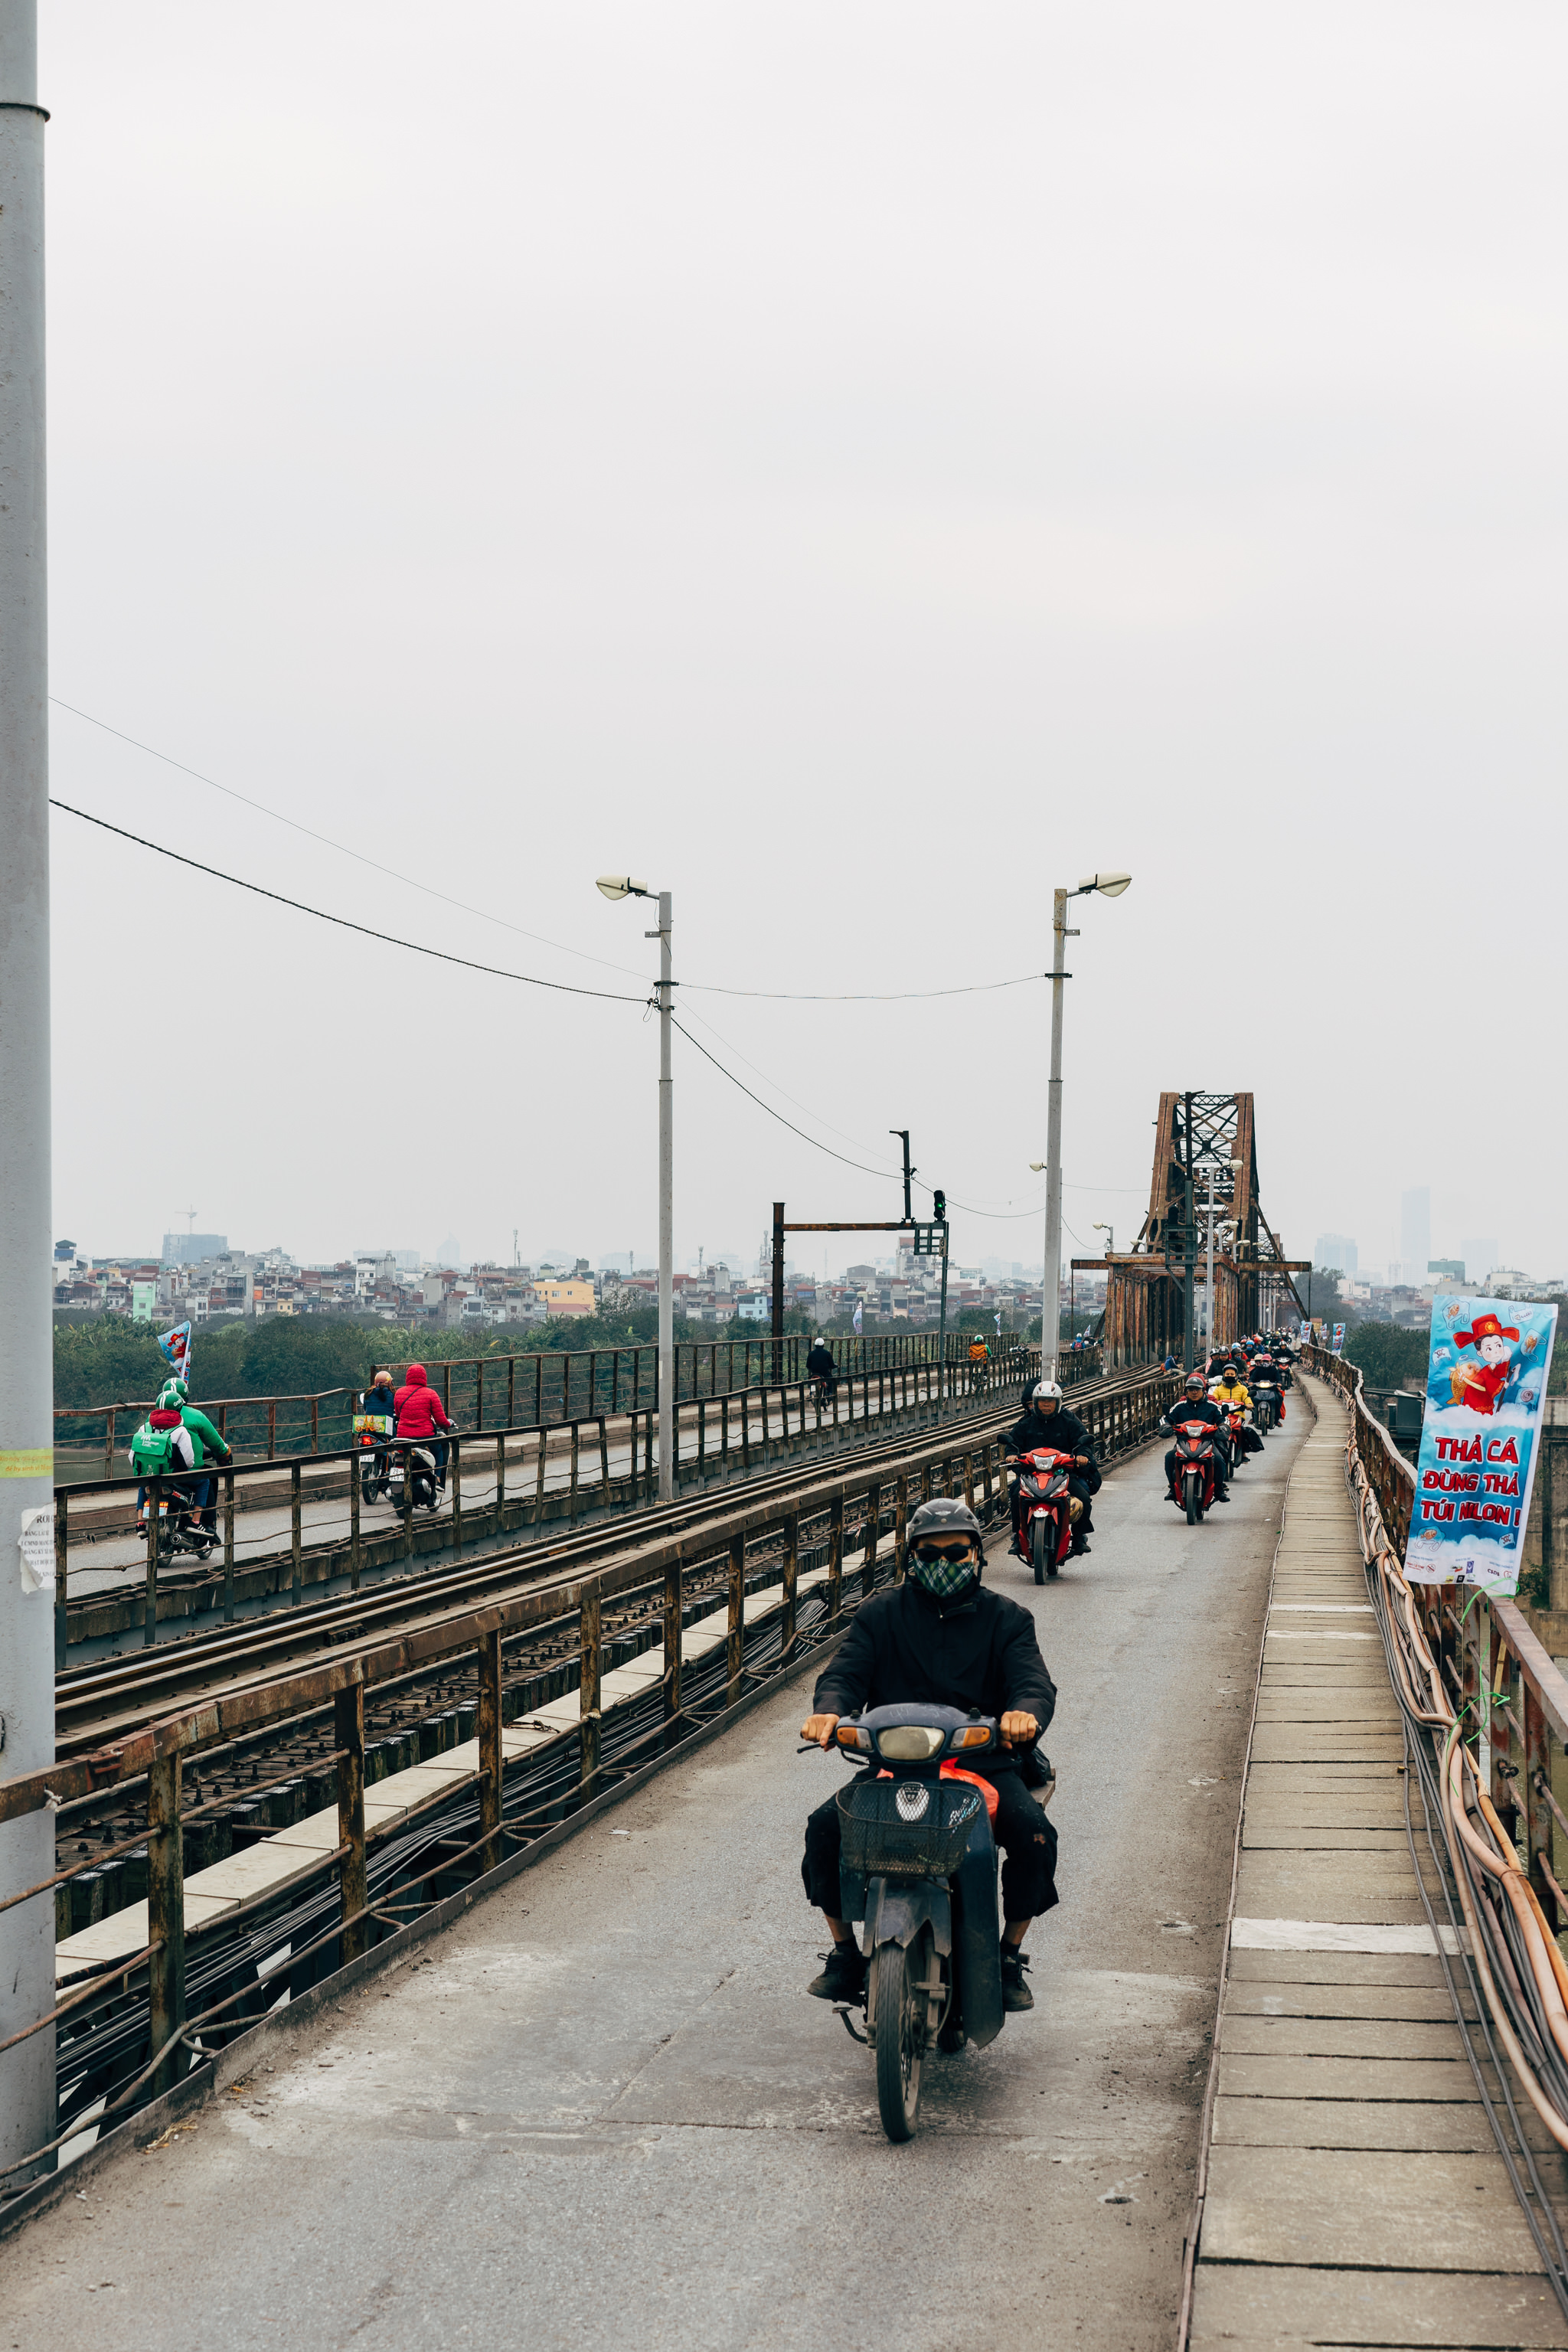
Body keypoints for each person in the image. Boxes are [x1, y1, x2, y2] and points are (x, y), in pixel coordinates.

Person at [799, 1497, 1058, 2014]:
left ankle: (1008, 1954)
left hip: (978, 1763)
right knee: (824, 1829)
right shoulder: (881, 1614)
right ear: (911, 1556)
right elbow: (845, 1674)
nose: (944, 1563)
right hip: (896, 1763)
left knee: (1034, 1834)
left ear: (977, 1555)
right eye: (930, 1552)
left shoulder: (1008, 1619)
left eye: (957, 1551)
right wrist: (830, 1712)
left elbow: (1033, 1682)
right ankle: (844, 1951)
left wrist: (1023, 1715)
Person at [1005, 1380, 1099, 1557]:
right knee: (1016, 1495)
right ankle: (1018, 1537)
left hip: (1062, 1474)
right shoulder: (1026, 1422)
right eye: (1042, 1401)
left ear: (1058, 1403)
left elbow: (1083, 1440)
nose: (1046, 1405)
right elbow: (1013, 1443)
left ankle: (1079, 1536)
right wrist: (1011, 1454)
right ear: (1035, 1403)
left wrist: (1083, 1456)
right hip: (1032, 1474)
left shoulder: (1069, 1420)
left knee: (1084, 1498)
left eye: (1050, 1402)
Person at [155, 1376, 233, 1534]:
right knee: (207, 1478)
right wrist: (225, 1455)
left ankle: (142, 1521)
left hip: (158, 1470)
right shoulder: (195, 1416)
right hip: (185, 1472)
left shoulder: (152, 1419)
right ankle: (205, 1523)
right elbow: (217, 1445)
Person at [1161, 1372, 1229, 1502]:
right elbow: (1167, 1418)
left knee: (1219, 1460)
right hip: (1184, 1442)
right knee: (1170, 1457)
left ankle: (1219, 1490)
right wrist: (1165, 1427)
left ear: (1203, 1391)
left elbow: (1224, 1419)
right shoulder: (1179, 1407)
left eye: (1197, 1389)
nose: (1194, 1392)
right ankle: (1172, 1489)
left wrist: (1224, 1428)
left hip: (1207, 1442)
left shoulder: (1212, 1407)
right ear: (1186, 1392)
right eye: (1191, 1390)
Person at [394, 1361, 454, 1482]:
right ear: (424, 1377)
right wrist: (449, 1423)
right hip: (425, 1437)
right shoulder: (431, 1394)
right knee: (439, 1451)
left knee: (397, 1455)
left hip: (403, 1437)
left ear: (408, 1377)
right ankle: (437, 1478)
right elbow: (441, 1421)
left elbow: (399, 1414)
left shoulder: (399, 1393)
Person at [805, 1338, 838, 1403]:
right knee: (831, 1380)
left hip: (814, 1373)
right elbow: (831, 1365)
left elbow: (808, 1366)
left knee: (811, 1382)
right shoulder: (827, 1353)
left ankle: (811, 1394)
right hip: (824, 1373)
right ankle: (830, 1394)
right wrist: (835, 1366)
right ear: (823, 1345)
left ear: (815, 1345)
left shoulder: (811, 1354)